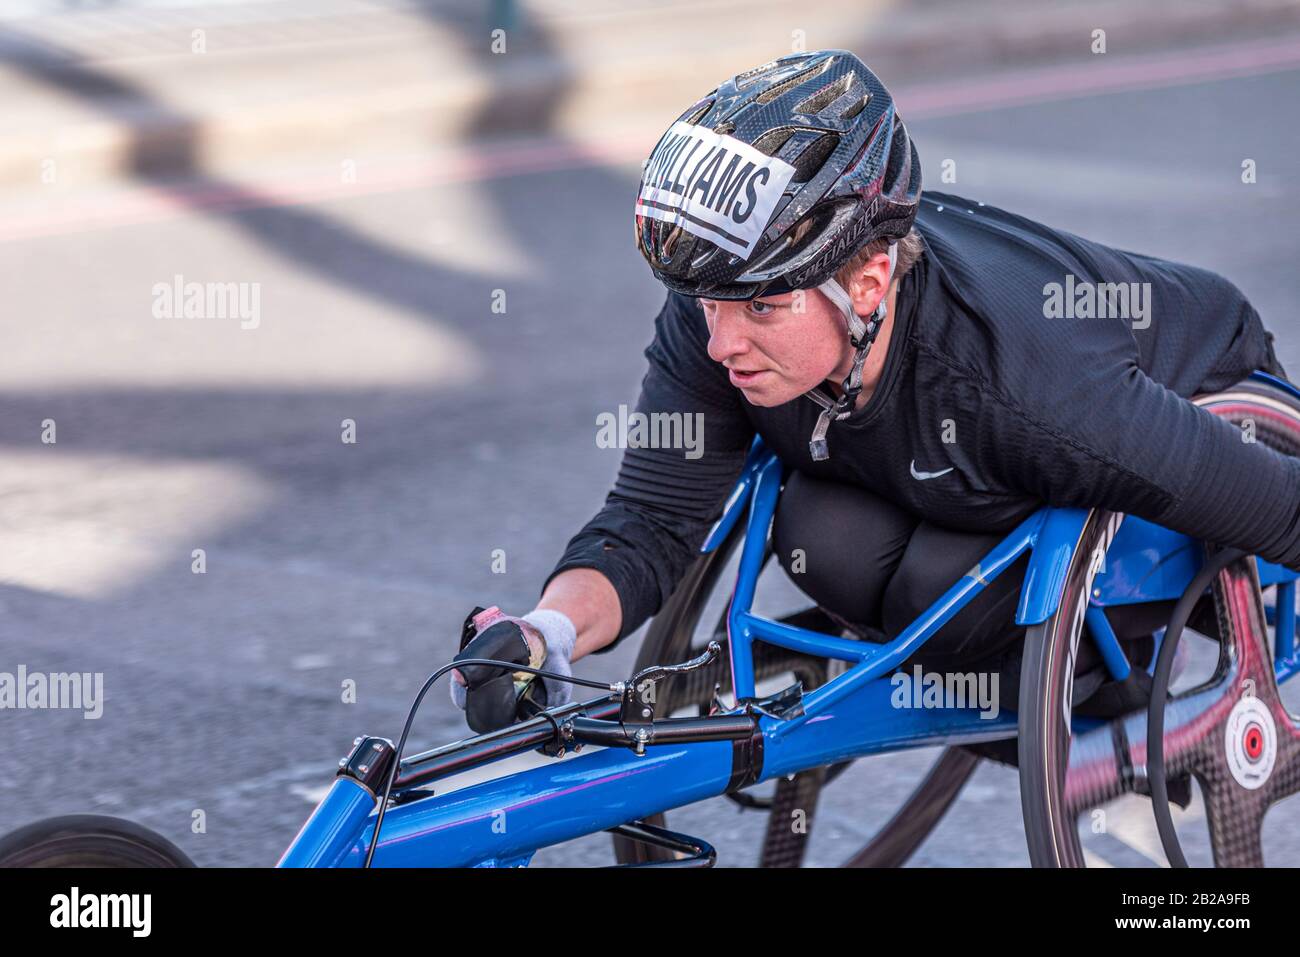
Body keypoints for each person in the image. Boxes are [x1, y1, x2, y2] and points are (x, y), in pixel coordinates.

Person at [450, 49, 1297, 735]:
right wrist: (542, 634)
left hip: (1194, 395)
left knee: (943, 584)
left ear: (867, 282)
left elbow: (1285, 510)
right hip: (941, 467)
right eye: (707, 303)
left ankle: (1090, 688)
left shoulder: (1035, 389)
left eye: (759, 309)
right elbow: (651, 522)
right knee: (825, 531)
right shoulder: (722, 312)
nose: (720, 342)